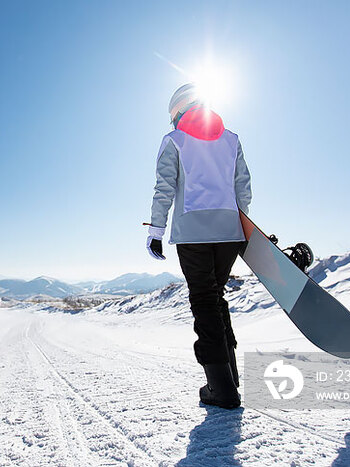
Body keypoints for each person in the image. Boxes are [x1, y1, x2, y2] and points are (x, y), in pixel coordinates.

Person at [146, 83, 252, 409]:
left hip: (193, 234)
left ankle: (221, 390)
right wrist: (241, 223)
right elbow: (243, 186)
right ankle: (230, 378)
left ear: (179, 110)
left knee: (205, 303)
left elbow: (164, 189)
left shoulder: (174, 141)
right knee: (216, 300)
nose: (172, 123)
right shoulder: (231, 138)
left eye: (172, 116)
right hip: (229, 232)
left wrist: (156, 230)